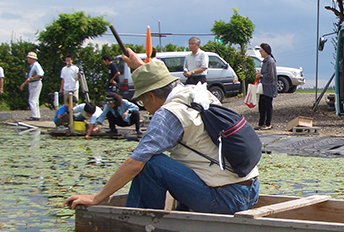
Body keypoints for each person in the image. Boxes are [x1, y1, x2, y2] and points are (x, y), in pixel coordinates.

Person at [66, 48, 259, 214]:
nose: (144, 106)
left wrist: (96, 198)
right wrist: (141, 67)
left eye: (142, 101)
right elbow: (160, 83)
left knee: (150, 163)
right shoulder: (195, 93)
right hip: (249, 192)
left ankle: (140, 225)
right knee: (183, 161)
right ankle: (178, 214)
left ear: (150, 96)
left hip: (226, 199)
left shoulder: (167, 115)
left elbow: (135, 164)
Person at [256, 43, 277, 130]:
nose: (260, 52)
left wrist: (261, 76)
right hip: (263, 87)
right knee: (261, 105)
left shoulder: (270, 61)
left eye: (261, 51)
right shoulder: (264, 61)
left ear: (266, 51)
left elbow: (271, 75)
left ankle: (268, 124)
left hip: (269, 87)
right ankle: (261, 123)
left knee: (268, 106)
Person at [20, 51, 43, 121]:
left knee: (32, 100)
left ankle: (35, 115)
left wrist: (32, 78)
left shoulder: (36, 65)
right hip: (33, 83)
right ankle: (36, 115)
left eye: (28, 58)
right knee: (34, 100)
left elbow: (40, 74)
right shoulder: (33, 66)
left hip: (35, 83)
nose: (27, 59)